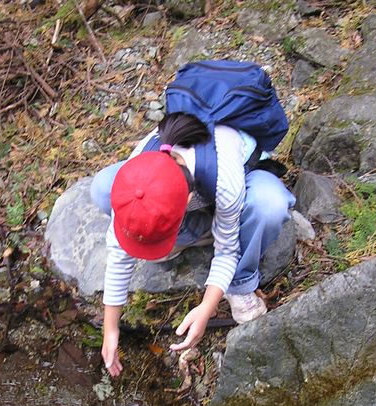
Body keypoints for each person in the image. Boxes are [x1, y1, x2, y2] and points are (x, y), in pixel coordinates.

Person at [90, 112, 295, 377]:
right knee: (102, 187)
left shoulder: (224, 178)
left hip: (242, 173)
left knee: (268, 205)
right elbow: (119, 251)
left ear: (188, 202)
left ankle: (239, 282)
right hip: (192, 185)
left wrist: (206, 308)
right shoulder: (136, 173)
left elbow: (227, 250)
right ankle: (179, 233)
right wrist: (111, 328)